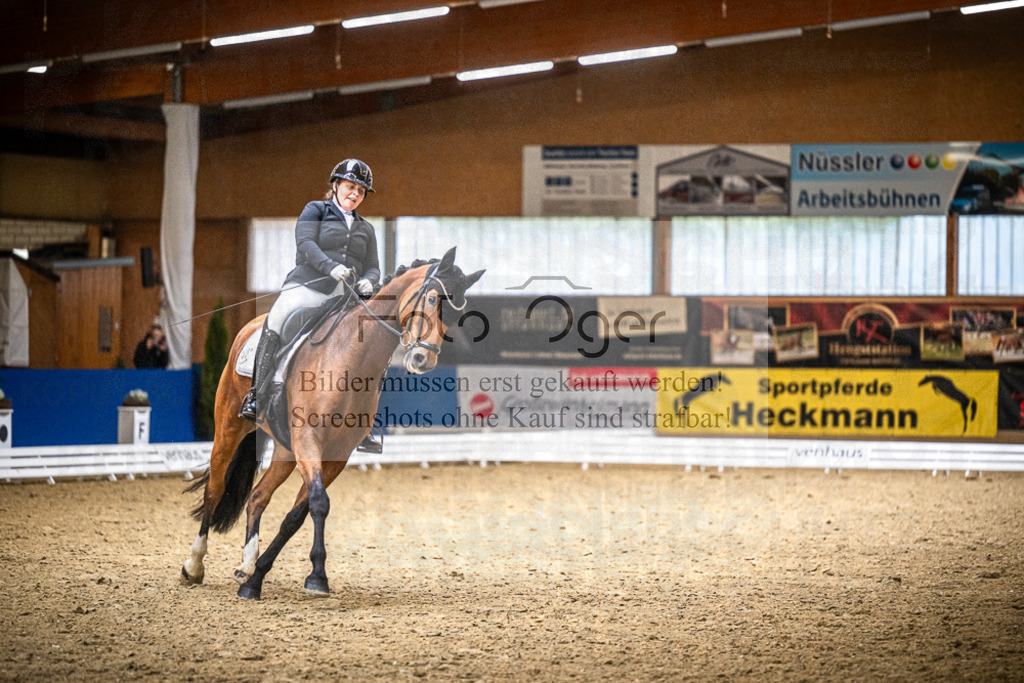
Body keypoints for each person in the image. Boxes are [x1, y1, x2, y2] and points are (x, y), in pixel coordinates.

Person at [239, 159, 382, 450]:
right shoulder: (315, 210)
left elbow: (374, 267)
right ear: (336, 185)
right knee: (277, 319)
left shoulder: (366, 228)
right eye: (350, 187)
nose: (355, 194)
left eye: (360, 191)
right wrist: (330, 267)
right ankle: (256, 395)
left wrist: (369, 281)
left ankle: (362, 421)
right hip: (307, 287)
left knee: (373, 341)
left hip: (345, 298)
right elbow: (305, 244)